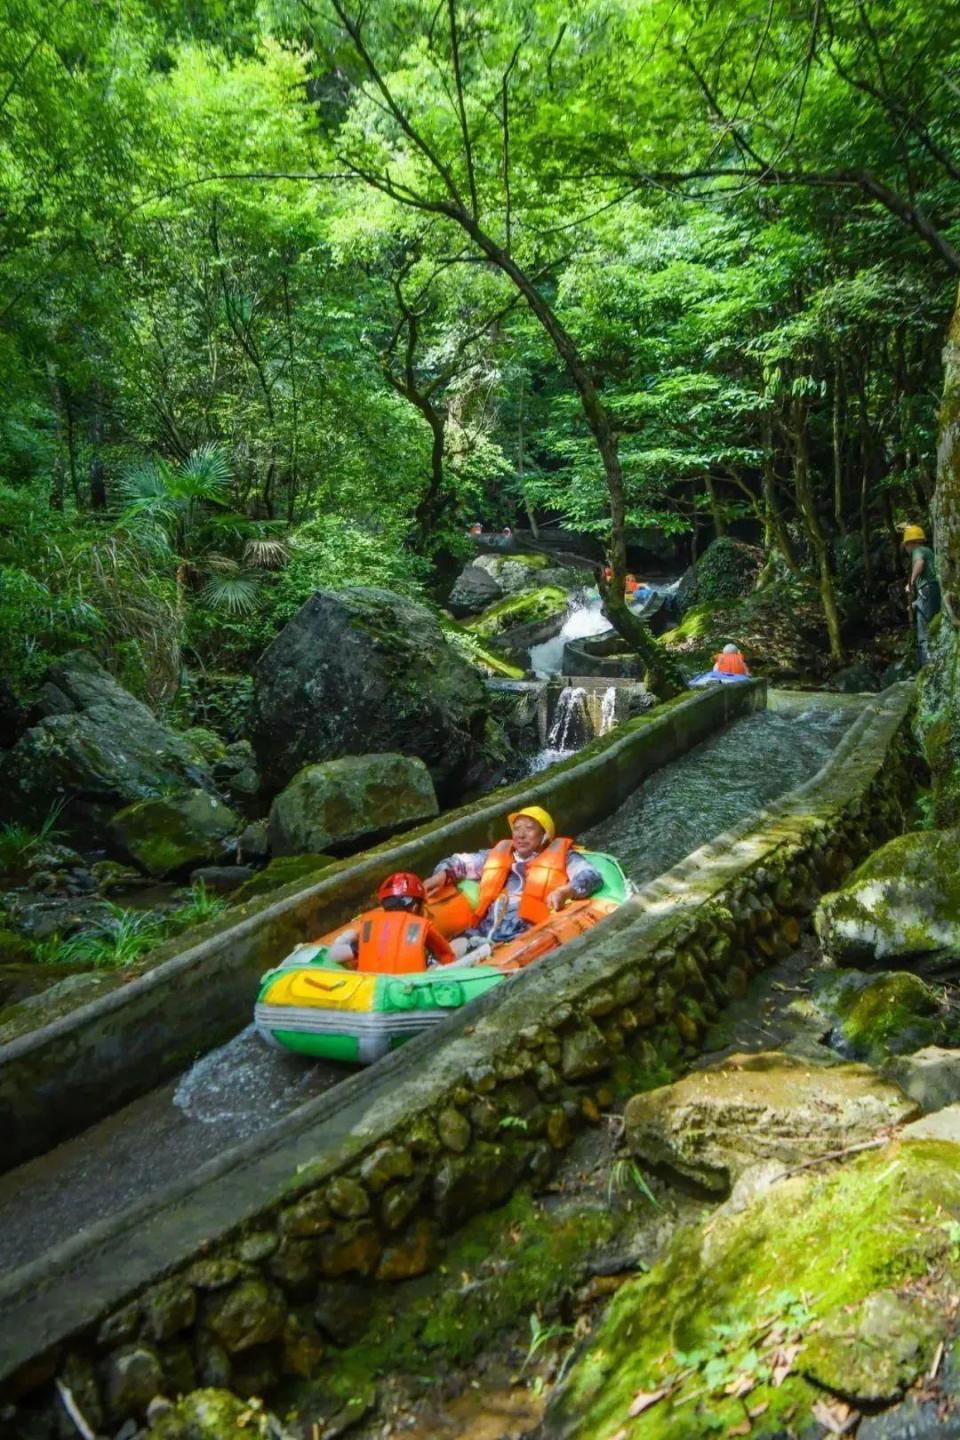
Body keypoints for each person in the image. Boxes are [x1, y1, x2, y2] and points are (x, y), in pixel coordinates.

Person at [424, 806, 603, 947]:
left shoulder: (564, 856)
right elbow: (460, 862)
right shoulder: (497, 854)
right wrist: (442, 874)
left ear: (544, 834)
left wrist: (565, 891)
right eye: (517, 829)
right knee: (452, 950)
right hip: (485, 929)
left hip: (527, 933)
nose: (521, 835)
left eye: (529, 829)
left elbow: (591, 876)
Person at [328, 872, 458, 974]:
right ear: (415, 908)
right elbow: (448, 957)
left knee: (350, 936)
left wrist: (346, 939)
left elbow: (333, 955)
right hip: (412, 988)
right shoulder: (421, 927)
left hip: (371, 989)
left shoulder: (370, 928)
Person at [902, 524, 941, 665]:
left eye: (906, 545)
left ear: (910, 543)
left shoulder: (917, 551)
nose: (906, 549)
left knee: (923, 630)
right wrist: (915, 603)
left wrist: (910, 583)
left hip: (927, 590)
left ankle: (927, 665)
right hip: (933, 591)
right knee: (932, 625)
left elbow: (919, 564)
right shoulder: (928, 551)